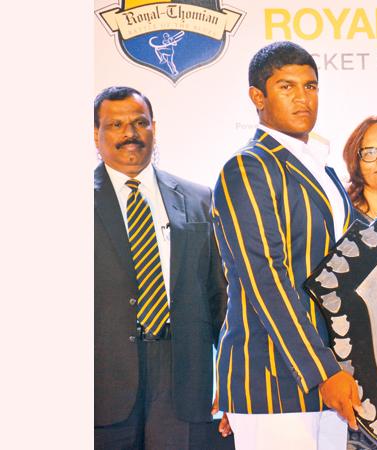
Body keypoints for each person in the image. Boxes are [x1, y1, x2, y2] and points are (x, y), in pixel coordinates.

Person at [212, 41, 360, 450]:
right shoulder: (249, 167)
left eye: (310, 87)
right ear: (257, 96)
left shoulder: (322, 168)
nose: (302, 98)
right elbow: (266, 279)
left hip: (329, 377)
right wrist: (321, 371)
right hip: (273, 378)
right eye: (287, 87)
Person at [94, 86, 229, 448]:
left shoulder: (200, 199)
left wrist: (231, 378)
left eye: (139, 122)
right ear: (96, 134)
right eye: (116, 124)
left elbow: (221, 297)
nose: (129, 133)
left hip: (183, 377)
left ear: (154, 127)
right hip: (100, 383)